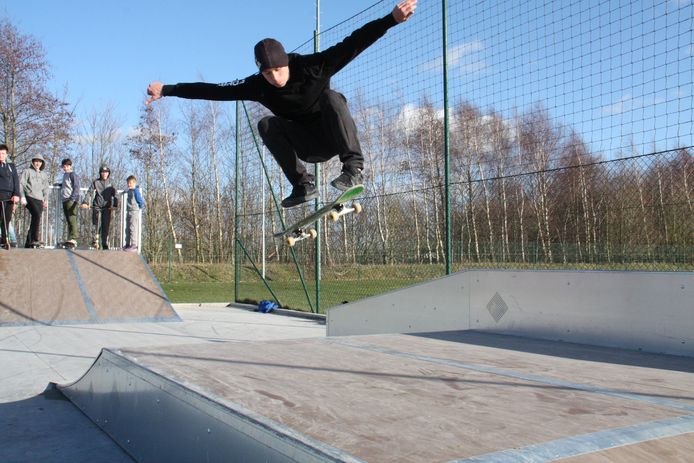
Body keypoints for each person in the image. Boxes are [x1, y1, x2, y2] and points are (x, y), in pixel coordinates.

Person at [146, 0, 417, 208]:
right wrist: (168, 90)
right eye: (267, 73)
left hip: (334, 135)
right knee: (266, 123)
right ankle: (302, 186)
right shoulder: (257, 86)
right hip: (308, 147)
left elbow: (354, 43)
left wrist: (391, 19)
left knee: (332, 97)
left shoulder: (314, 66)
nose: (275, 78)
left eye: (279, 70)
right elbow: (213, 91)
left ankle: (354, 169)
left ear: (287, 62)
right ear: (260, 71)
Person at [81, 165, 118, 249]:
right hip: (97, 206)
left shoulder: (111, 183)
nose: (104, 174)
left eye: (106, 172)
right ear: (100, 173)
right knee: (96, 223)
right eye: (103, 172)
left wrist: (115, 205)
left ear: (108, 173)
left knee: (105, 225)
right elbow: (89, 192)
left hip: (107, 207)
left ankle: (104, 242)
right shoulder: (96, 182)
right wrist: (85, 202)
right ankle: (95, 241)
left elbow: (115, 195)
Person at [20, 154, 51, 248]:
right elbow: (21, 184)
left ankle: (29, 242)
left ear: (42, 163)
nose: (38, 163)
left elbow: (46, 188)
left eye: (40, 161)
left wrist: (46, 200)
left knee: (35, 218)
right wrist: (22, 196)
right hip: (30, 196)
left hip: (40, 199)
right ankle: (35, 238)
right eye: (36, 161)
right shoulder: (27, 171)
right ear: (33, 162)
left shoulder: (44, 175)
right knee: (37, 215)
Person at [0, 144, 20, 249]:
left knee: (6, 219)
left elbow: (16, 181)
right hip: (0, 194)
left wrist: (16, 194)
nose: (1, 155)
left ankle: (5, 239)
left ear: (6, 154)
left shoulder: (11, 166)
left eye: (3, 153)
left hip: (9, 196)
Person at [59, 158, 80, 248]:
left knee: (72, 219)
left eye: (67, 166)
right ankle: (70, 237)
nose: (65, 168)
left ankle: (74, 237)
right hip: (65, 199)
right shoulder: (65, 175)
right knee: (68, 219)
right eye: (64, 166)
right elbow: (66, 185)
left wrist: (73, 198)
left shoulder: (72, 175)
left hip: (71, 199)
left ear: (70, 166)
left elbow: (76, 187)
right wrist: (60, 185)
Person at [123, 175, 145, 252]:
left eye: (130, 183)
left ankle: (134, 244)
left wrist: (140, 205)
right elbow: (126, 191)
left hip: (134, 211)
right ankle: (127, 244)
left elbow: (140, 199)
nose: (129, 185)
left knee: (133, 228)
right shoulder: (129, 191)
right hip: (129, 210)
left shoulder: (136, 191)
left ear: (134, 183)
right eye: (128, 183)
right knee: (127, 228)